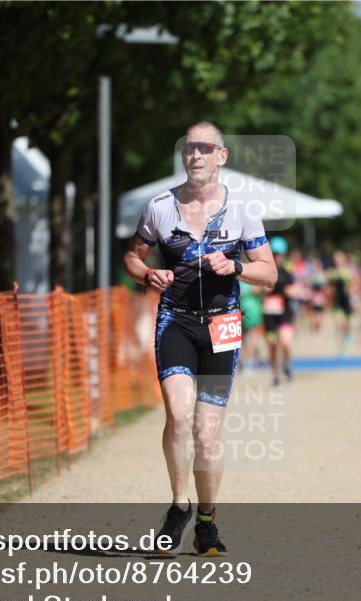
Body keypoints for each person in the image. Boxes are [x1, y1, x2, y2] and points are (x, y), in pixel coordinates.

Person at [123, 121, 277, 556]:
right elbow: (132, 257)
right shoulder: (160, 207)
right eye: (190, 148)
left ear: (221, 156)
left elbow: (269, 273)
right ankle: (179, 506)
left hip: (223, 325)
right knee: (178, 413)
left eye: (205, 148)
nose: (196, 155)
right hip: (176, 320)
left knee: (206, 434)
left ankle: (207, 520)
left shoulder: (242, 210)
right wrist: (148, 274)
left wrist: (237, 267)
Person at [261, 236, 300, 385]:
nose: (277, 257)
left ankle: (287, 366)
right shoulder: (265, 270)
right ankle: (275, 374)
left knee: (285, 342)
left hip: (285, 312)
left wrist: (292, 290)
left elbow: (296, 286)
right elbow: (259, 288)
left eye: (280, 254)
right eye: (275, 254)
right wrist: (262, 289)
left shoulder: (289, 270)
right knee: (272, 345)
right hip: (269, 313)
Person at [329, 250, 356, 355]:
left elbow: (355, 285)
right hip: (337, 301)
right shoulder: (332, 272)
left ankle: (348, 334)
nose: (337, 261)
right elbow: (329, 286)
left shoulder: (349, 272)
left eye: (339, 259)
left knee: (347, 325)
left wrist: (351, 289)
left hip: (347, 301)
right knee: (339, 324)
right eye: (336, 259)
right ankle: (340, 349)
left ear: (343, 260)